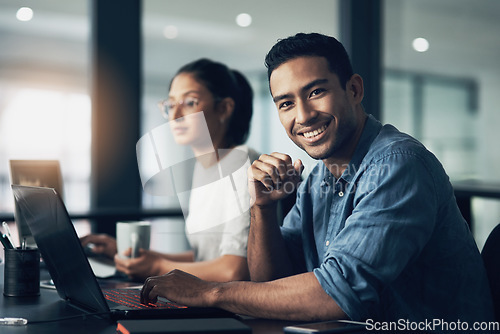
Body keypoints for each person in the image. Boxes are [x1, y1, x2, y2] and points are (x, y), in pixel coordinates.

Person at [139, 33, 495, 327]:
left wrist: (209, 292)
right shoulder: (319, 178)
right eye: (286, 103)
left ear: (354, 90)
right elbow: (271, 286)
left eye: (315, 92)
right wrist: (261, 208)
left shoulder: (397, 165)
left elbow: (338, 293)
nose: (304, 116)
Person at [81, 58, 258, 282]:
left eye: (190, 102)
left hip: (234, 307)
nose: (175, 116)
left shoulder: (242, 162)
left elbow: (234, 270)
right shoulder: (205, 167)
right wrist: (137, 255)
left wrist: (156, 266)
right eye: (171, 104)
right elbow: (207, 257)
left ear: (224, 108)